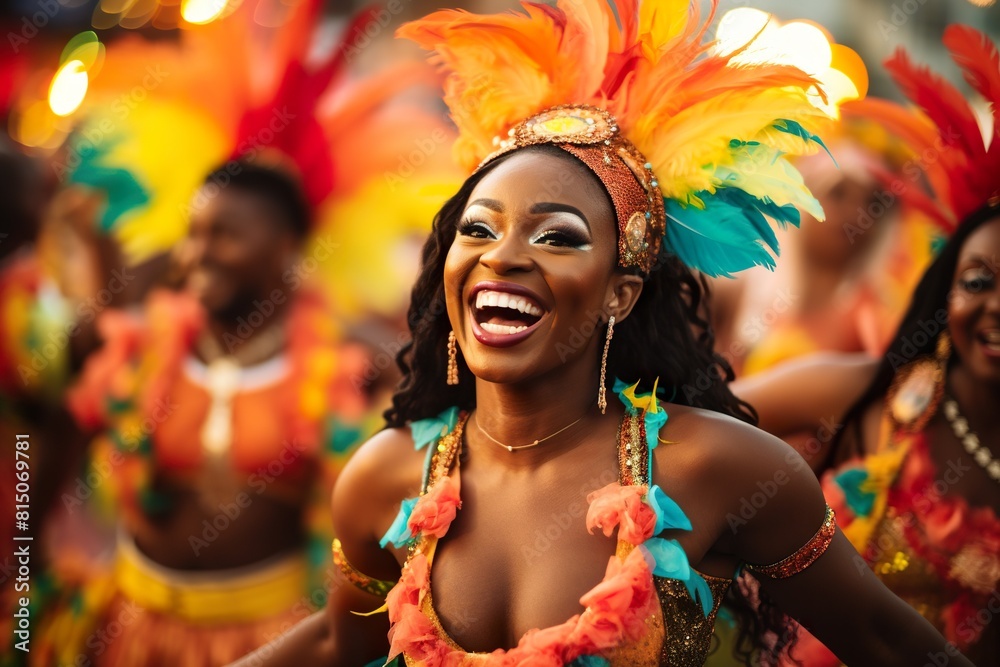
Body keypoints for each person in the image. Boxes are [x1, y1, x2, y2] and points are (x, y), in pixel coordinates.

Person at [231, 2, 975, 665]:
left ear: (621, 291)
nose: (504, 254)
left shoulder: (722, 466)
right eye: (479, 228)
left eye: (556, 236)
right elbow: (337, 641)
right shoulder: (386, 478)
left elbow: (886, 641)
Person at [733, 25, 1000, 665]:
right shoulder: (869, 386)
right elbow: (688, 429)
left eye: (868, 201)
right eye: (979, 282)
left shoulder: (866, 311)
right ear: (946, 292)